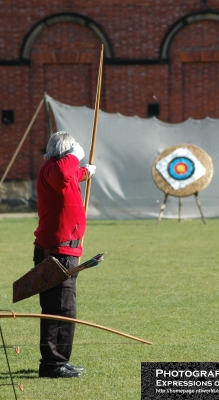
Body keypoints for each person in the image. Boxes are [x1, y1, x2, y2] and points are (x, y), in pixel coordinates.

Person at [33, 131, 96, 378]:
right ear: (65, 153)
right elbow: (63, 172)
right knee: (56, 308)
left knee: (66, 309)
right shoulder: (51, 170)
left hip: (67, 251)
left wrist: (86, 171)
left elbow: (71, 175)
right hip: (56, 253)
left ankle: (61, 360)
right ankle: (51, 365)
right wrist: (77, 155)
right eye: (72, 154)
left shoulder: (62, 174)